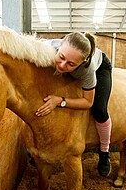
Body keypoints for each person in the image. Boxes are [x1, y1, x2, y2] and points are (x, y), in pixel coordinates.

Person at [35, 32, 113, 177]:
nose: (63, 65)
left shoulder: (87, 69)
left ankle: (104, 151)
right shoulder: (47, 47)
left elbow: (88, 101)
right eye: (61, 57)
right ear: (60, 44)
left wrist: (60, 100)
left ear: (82, 62)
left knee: (99, 109)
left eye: (71, 64)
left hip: (101, 67)